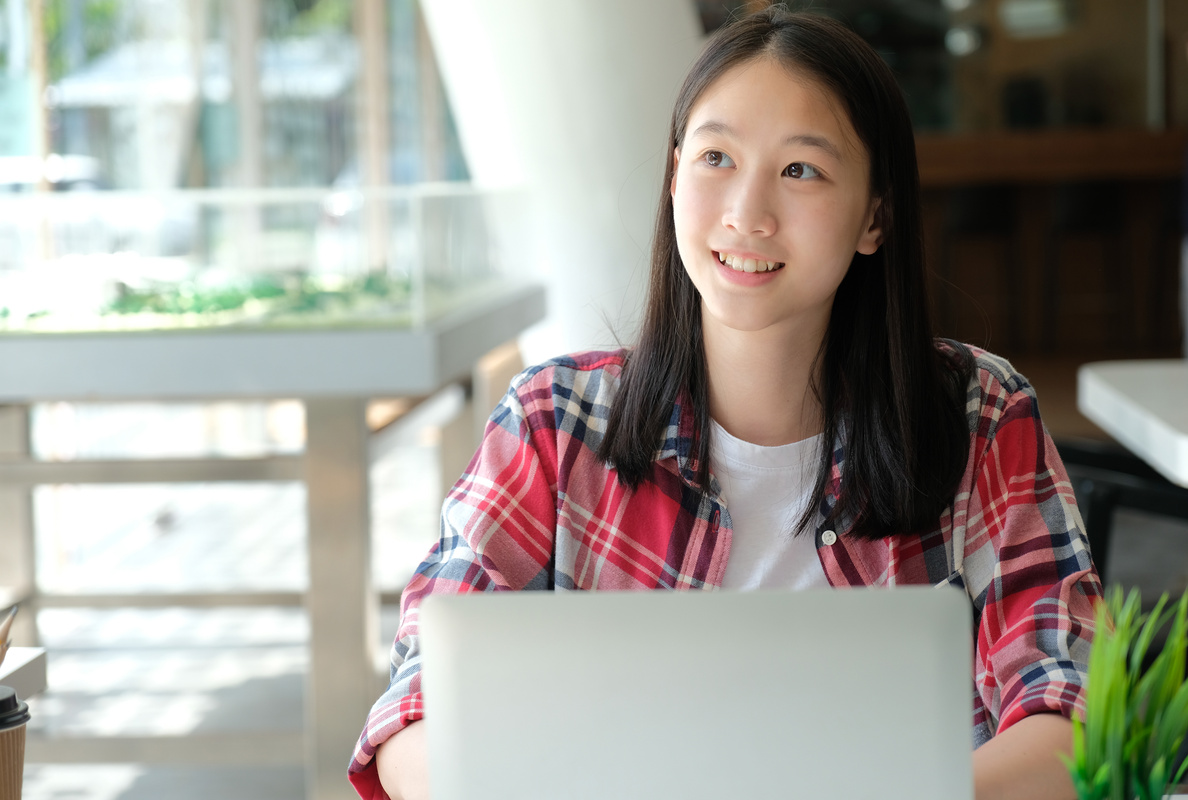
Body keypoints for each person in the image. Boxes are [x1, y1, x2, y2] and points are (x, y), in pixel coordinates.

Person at [349, 8, 1101, 800]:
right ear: (675, 176)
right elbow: (412, 716)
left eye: (801, 170)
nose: (748, 213)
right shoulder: (553, 423)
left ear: (875, 215)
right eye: (716, 157)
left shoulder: (978, 415)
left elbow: (1070, 708)